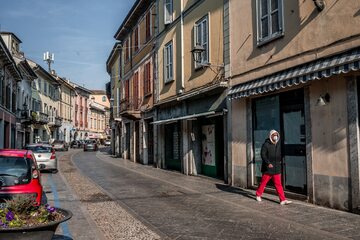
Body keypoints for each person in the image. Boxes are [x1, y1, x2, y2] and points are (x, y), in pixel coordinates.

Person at [255, 130, 292, 205]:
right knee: (263, 182)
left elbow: (281, 153)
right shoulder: (266, 144)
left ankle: (282, 200)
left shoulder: (278, 144)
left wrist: (281, 160)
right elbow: (263, 155)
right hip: (268, 168)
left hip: (277, 168)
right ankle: (258, 194)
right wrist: (268, 163)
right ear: (270, 136)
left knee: (278, 184)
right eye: (274, 135)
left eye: (276, 135)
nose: (275, 136)